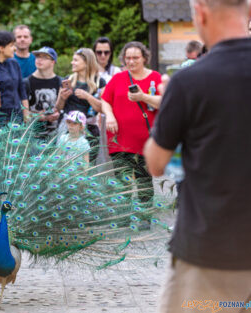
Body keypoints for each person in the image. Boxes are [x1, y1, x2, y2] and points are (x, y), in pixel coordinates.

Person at [143, 0, 251, 311]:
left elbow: (155, 163)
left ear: (200, 12)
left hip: (211, 249)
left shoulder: (189, 81)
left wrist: (169, 112)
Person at [101, 41, 162, 201]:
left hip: (146, 141)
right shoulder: (118, 78)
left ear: (144, 58)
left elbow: (164, 101)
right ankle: (125, 222)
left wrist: (143, 97)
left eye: (135, 57)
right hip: (120, 140)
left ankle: (144, 221)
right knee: (123, 183)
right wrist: (110, 116)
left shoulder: (155, 77)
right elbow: (105, 100)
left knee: (145, 184)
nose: (131, 61)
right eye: (128, 58)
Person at [0, 31, 29, 126]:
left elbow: (22, 91)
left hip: (17, 117)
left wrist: (26, 116)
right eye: (11, 46)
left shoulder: (14, 63)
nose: (15, 48)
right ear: (1, 48)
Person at [56, 48, 106, 137]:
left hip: (89, 130)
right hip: (67, 128)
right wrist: (62, 98)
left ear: (87, 63)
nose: (72, 63)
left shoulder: (100, 82)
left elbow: (103, 108)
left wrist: (88, 97)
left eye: (75, 60)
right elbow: (58, 108)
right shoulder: (68, 80)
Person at [23, 46, 61, 139]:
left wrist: (58, 113)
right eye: (38, 56)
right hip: (32, 137)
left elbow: (63, 109)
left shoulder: (60, 82)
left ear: (53, 62)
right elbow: (23, 114)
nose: (39, 60)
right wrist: (41, 117)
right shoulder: (26, 82)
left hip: (56, 137)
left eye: (44, 57)